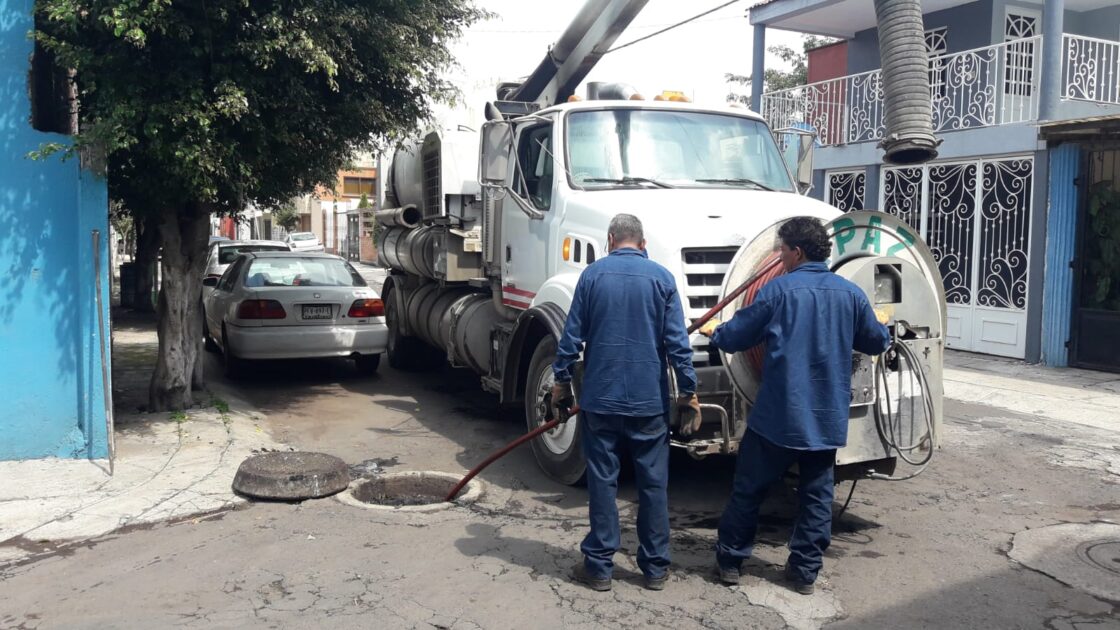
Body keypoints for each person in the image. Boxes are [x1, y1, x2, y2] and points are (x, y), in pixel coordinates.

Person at [698, 216, 891, 595]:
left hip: (778, 416)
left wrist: (716, 331)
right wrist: (883, 326)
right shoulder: (851, 295)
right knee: (817, 496)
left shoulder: (778, 292)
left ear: (797, 252)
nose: (780, 258)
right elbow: (875, 342)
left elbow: (736, 336)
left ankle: (731, 562)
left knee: (749, 489)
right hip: (824, 419)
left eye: (783, 251)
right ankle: (804, 573)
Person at [551, 213, 701, 593]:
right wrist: (689, 392)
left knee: (603, 481)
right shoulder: (662, 279)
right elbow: (678, 346)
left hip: (600, 400)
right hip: (647, 403)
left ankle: (599, 567)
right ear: (643, 243)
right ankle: (654, 569)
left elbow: (571, 338)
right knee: (653, 484)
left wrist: (561, 382)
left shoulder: (592, 276)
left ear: (611, 238)